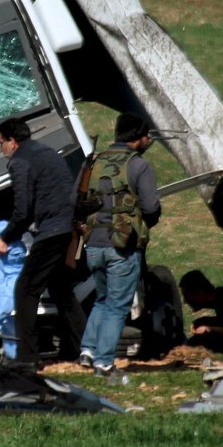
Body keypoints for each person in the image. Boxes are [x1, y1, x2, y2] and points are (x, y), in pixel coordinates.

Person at [0, 118, 86, 371]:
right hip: (66, 228)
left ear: (12, 141)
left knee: (25, 290)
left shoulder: (19, 161)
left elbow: (23, 211)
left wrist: (4, 238)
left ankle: (26, 357)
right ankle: (84, 349)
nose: (1, 149)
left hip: (51, 231)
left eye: (1, 143)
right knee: (61, 291)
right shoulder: (47, 152)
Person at [76, 112, 161, 376]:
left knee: (102, 300)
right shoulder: (138, 165)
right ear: (138, 137)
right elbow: (151, 207)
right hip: (122, 247)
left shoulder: (94, 161)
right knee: (117, 305)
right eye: (147, 134)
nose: (149, 140)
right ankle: (104, 362)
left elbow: (76, 199)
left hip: (92, 244)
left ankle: (88, 351)